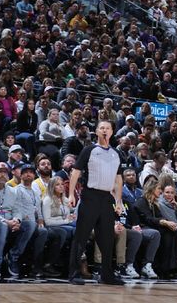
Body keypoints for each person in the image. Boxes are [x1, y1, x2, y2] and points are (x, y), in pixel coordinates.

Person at [67, 119, 125, 285]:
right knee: (81, 236)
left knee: (107, 238)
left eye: (108, 128)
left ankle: (107, 274)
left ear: (112, 131)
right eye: (102, 128)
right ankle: (74, 273)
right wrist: (71, 194)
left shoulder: (116, 154)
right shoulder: (89, 150)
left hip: (107, 198)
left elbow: (119, 179)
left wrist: (118, 201)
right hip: (90, 196)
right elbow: (76, 173)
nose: (105, 130)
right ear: (97, 131)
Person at [0, 161, 35, 278]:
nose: (2, 175)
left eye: (5, 173)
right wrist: (7, 222)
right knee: (2, 226)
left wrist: (17, 220)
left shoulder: (13, 191)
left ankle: (13, 256)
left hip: (11, 221)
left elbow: (18, 209)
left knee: (30, 224)